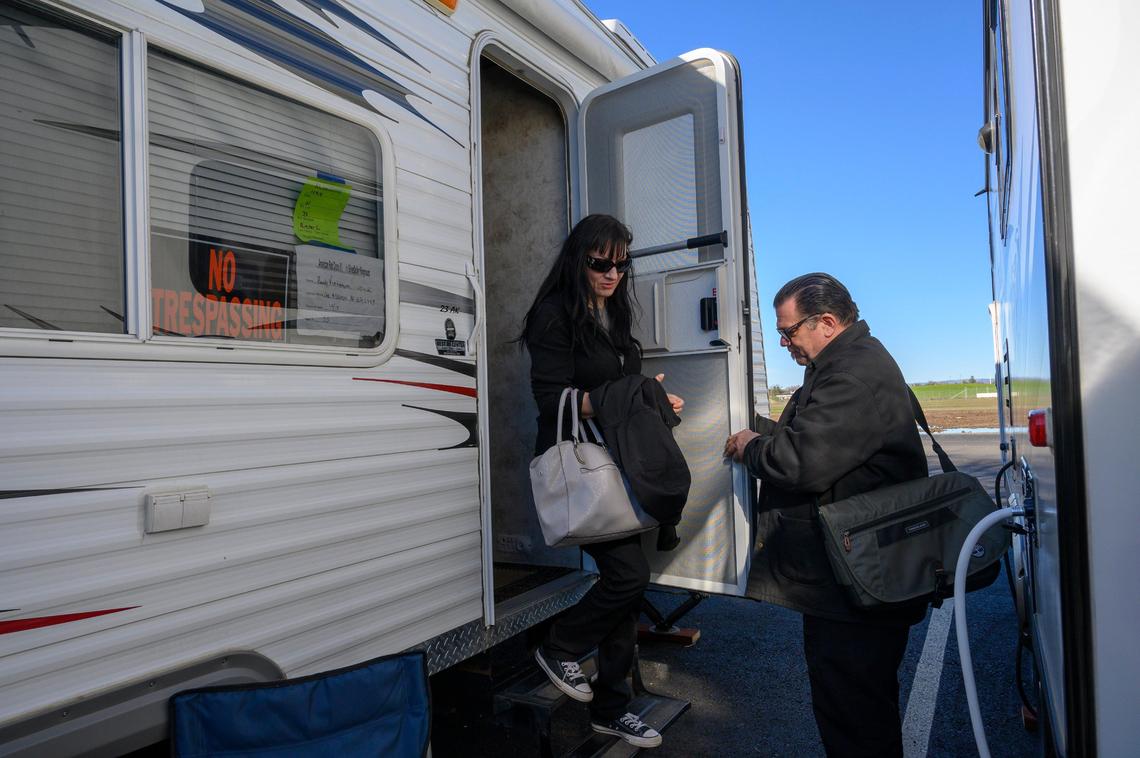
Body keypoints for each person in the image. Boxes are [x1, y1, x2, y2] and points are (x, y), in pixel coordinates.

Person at [724, 273, 928, 758]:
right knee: (857, 706)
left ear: (828, 323)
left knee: (854, 715)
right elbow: (817, 440)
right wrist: (752, 427)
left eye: (789, 331)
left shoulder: (851, 374)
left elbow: (800, 462)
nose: (783, 342)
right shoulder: (846, 364)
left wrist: (752, 447)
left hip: (858, 584)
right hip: (857, 574)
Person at [521, 214, 683, 750]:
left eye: (621, 263)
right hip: (581, 466)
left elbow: (619, 387)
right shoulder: (554, 315)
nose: (613, 273)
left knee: (626, 592)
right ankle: (560, 646)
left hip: (617, 462)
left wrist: (650, 394)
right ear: (579, 259)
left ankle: (612, 709)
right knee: (628, 577)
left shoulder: (613, 313)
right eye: (600, 263)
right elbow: (550, 399)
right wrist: (633, 395)